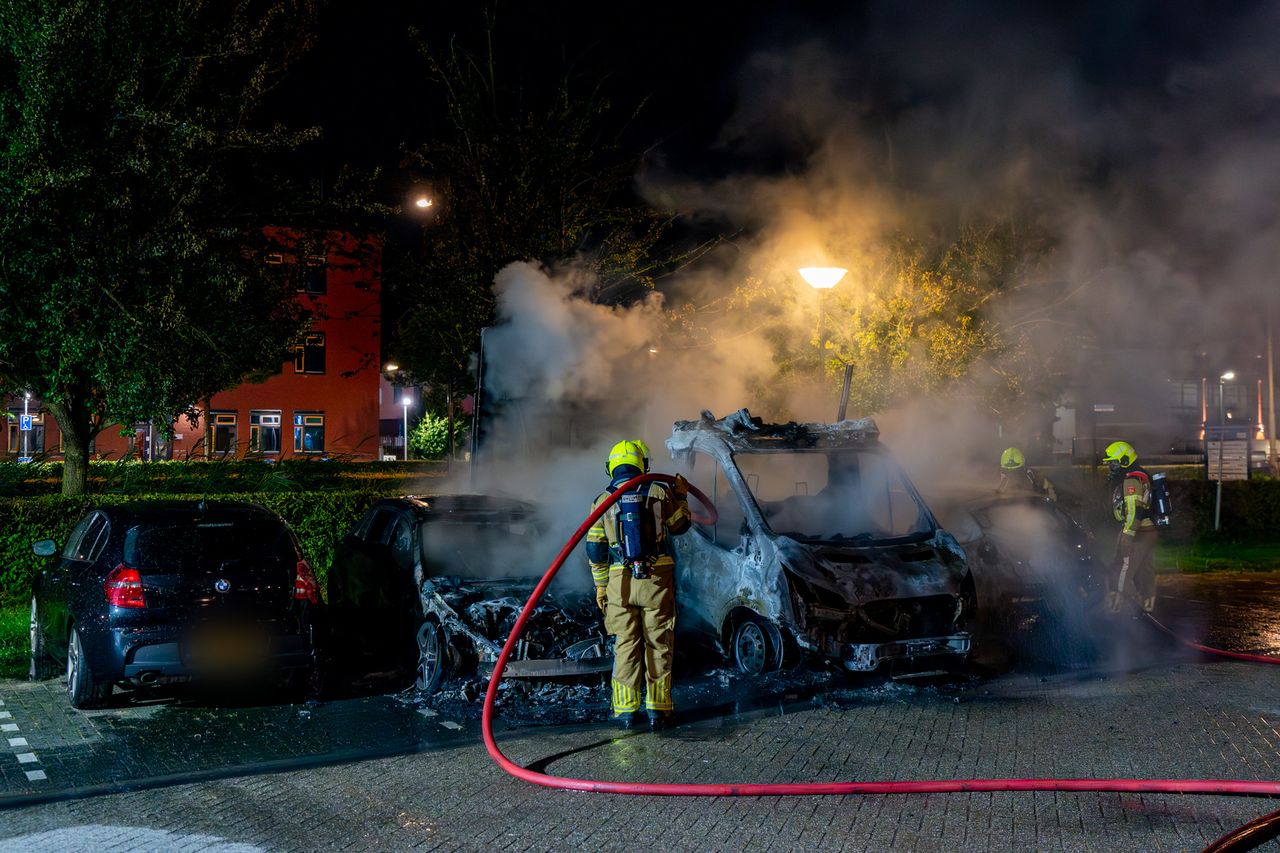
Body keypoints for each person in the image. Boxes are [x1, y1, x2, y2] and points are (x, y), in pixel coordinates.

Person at [585, 439, 691, 730]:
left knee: (626, 644)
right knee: (659, 642)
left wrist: (602, 587)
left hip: (620, 581)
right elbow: (680, 525)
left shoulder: (601, 500)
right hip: (657, 577)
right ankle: (659, 710)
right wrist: (681, 497)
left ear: (612, 467)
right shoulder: (659, 491)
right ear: (642, 463)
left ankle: (625, 711)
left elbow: (595, 549)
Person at [1101, 440, 1158, 613]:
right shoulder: (1141, 474)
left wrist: (1127, 534)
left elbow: (1135, 511)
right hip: (1147, 529)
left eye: (1113, 462)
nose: (1111, 466)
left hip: (1137, 530)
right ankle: (1147, 602)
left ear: (1124, 460)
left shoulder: (1132, 480)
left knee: (1122, 567)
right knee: (1144, 567)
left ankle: (1117, 606)